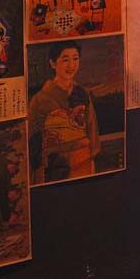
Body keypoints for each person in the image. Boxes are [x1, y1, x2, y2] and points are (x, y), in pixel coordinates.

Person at [28, 42, 100, 183]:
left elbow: (92, 127)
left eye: (76, 58)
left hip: (83, 159)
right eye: (65, 60)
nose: (71, 65)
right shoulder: (39, 99)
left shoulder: (82, 93)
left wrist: (91, 154)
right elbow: (33, 136)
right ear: (53, 63)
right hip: (54, 164)